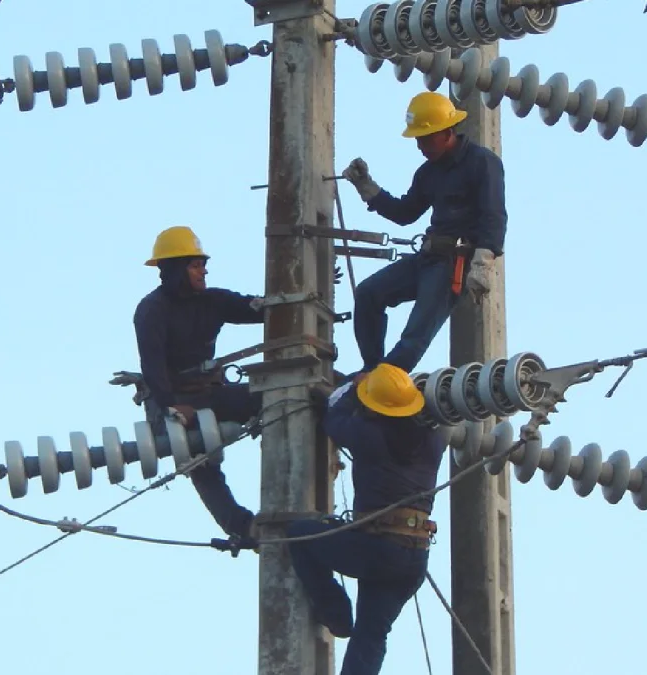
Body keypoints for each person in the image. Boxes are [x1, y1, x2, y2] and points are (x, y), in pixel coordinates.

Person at [286, 363, 446, 675]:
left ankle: (336, 614)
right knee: (371, 636)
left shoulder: (369, 436)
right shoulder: (433, 441)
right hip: (413, 555)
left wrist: (353, 388)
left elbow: (333, 416)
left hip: (377, 548)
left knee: (301, 535)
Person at [341, 90, 508, 376]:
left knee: (414, 336)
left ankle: (383, 381)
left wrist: (483, 260)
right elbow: (405, 212)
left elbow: (493, 215)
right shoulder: (428, 173)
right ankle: (370, 372)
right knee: (368, 294)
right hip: (428, 258)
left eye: (426, 138)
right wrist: (367, 188)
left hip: (452, 263)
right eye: (418, 138)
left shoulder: (481, 162)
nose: (421, 145)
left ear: (447, 132)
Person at [132, 225, 264, 541]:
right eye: (195, 265)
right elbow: (152, 366)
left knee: (277, 397)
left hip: (208, 395)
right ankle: (242, 527)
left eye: (202, 265)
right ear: (176, 269)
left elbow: (256, 308)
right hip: (171, 401)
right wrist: (171, 407)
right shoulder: (152, 310)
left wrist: (300, 294)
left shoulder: (211, 302)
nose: (203, 271)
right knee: (198, 456)